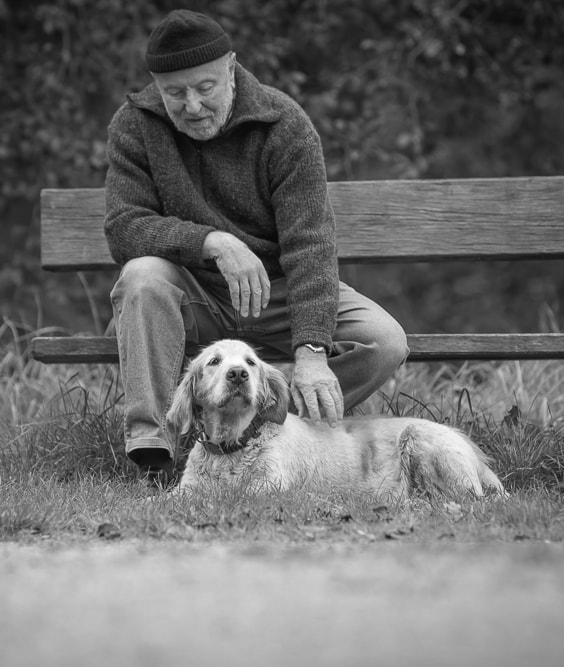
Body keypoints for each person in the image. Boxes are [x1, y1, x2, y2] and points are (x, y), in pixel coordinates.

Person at [104, 9, 409, 486]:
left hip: (278, 294)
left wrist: (311, 350)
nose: (191, 105)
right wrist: (210, 241)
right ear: (155, 87)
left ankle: (281, 434)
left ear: (230, 68)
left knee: (384, 340)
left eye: (204, 88)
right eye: (174, 93)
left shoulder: (283, 123)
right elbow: (124, 227)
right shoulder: (134, 125)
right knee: (142, 276)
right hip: (194, 296)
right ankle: (155, 458)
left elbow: (310, 245)